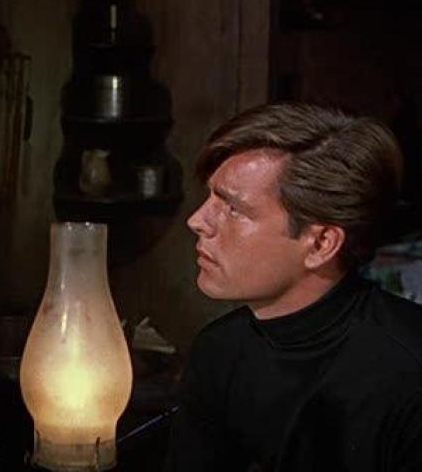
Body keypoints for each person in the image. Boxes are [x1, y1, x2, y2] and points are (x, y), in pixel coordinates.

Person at [165, 102, 422, 471]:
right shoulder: (218, 352)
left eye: (234, 209)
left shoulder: (408, 372)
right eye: (210, 198)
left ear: (320, 244)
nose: (197, 221)